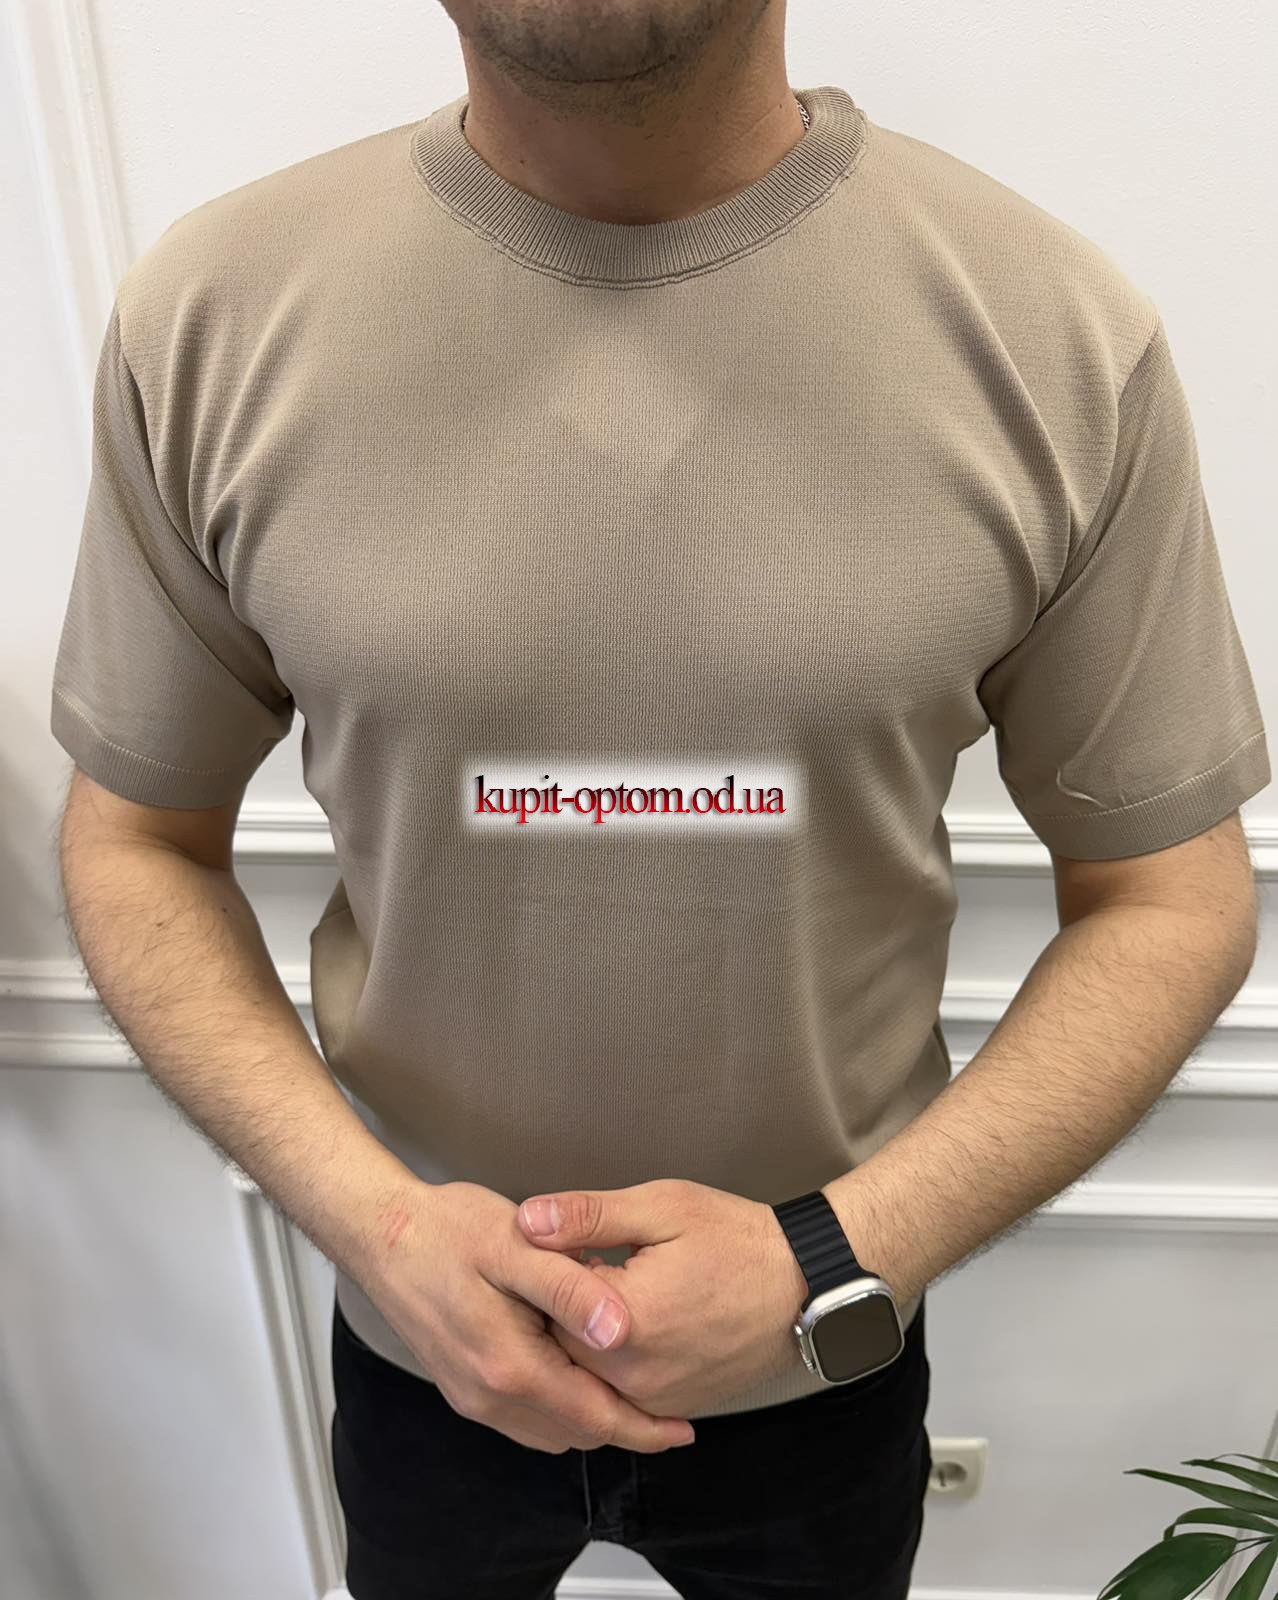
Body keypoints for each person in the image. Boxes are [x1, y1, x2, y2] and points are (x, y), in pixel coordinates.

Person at [49, 1, 1269, 1596]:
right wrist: (380, 1229)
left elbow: (1168, 893)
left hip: (821, 1357)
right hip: (414, 1347)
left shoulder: (1049, 332)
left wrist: (831, 1254)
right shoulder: (211, 315)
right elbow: (136, 837)